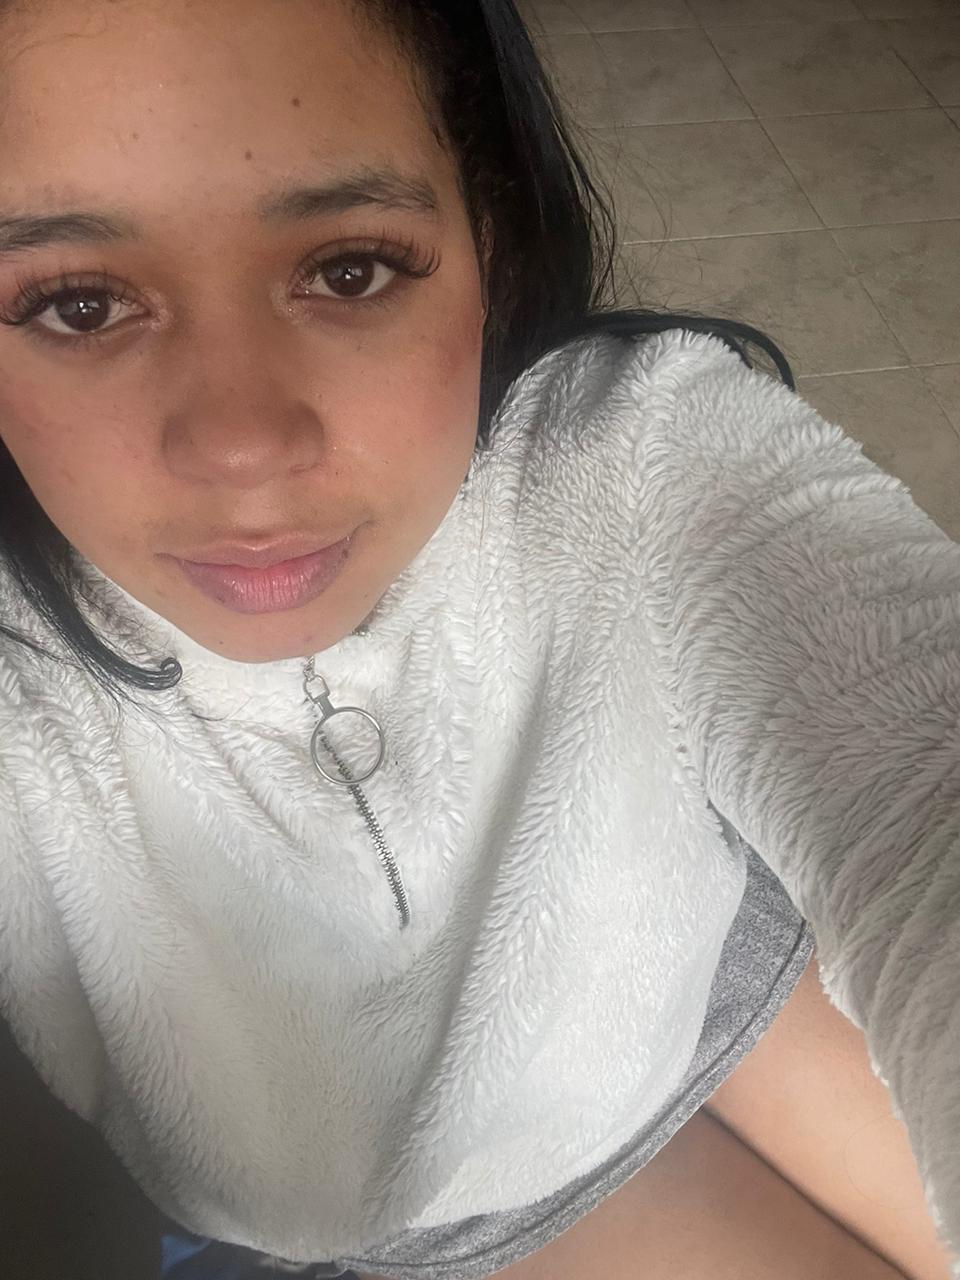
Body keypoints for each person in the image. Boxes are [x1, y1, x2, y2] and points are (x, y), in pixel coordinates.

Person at [0, 0, 957, 1278]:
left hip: (717, 976)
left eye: (350, 269)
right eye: (75, 304)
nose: (243, 446)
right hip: (447, 1201)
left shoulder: (636, 449)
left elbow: (923, 777)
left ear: (488, 237)